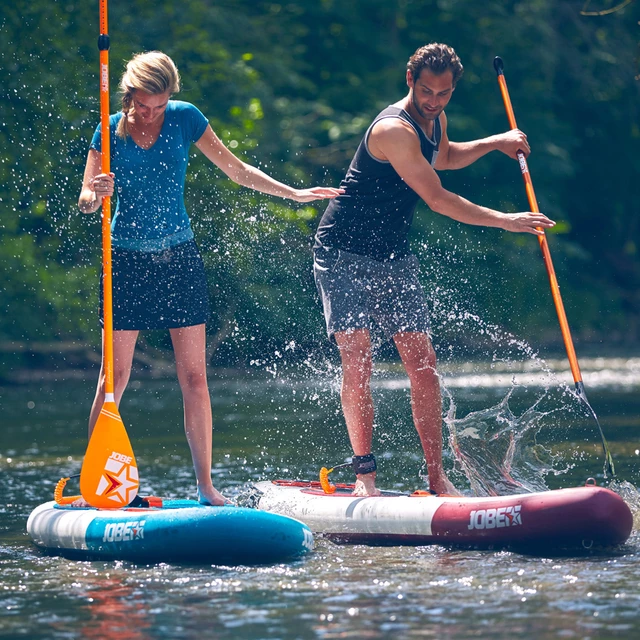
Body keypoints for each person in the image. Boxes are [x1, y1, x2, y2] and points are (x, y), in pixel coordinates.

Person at [79, 51, 342, 506]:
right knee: (113, 379)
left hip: (179, 259)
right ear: (129, 96)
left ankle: (206, 487)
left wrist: (293, 192)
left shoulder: (185, 119)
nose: (151, 113)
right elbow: (86, 198)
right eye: (144, 105)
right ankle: (97, 484)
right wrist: (94, 192)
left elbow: (237, 170)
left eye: (159, 105)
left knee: (195, 377)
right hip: (124, 260)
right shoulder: (109, 128)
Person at [313, 43, 555, 497]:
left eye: (443, 94)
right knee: (359, 357)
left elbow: (442, 157)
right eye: (426, 91)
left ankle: (436, 477)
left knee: (423, 364)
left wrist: (494, 142)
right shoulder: (393, 130)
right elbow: (438, 196)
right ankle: (365, 476)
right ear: (410, 81)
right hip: (342, 250)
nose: (433, 101)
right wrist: (508, 220)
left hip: (392, 253)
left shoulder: (435, 117)